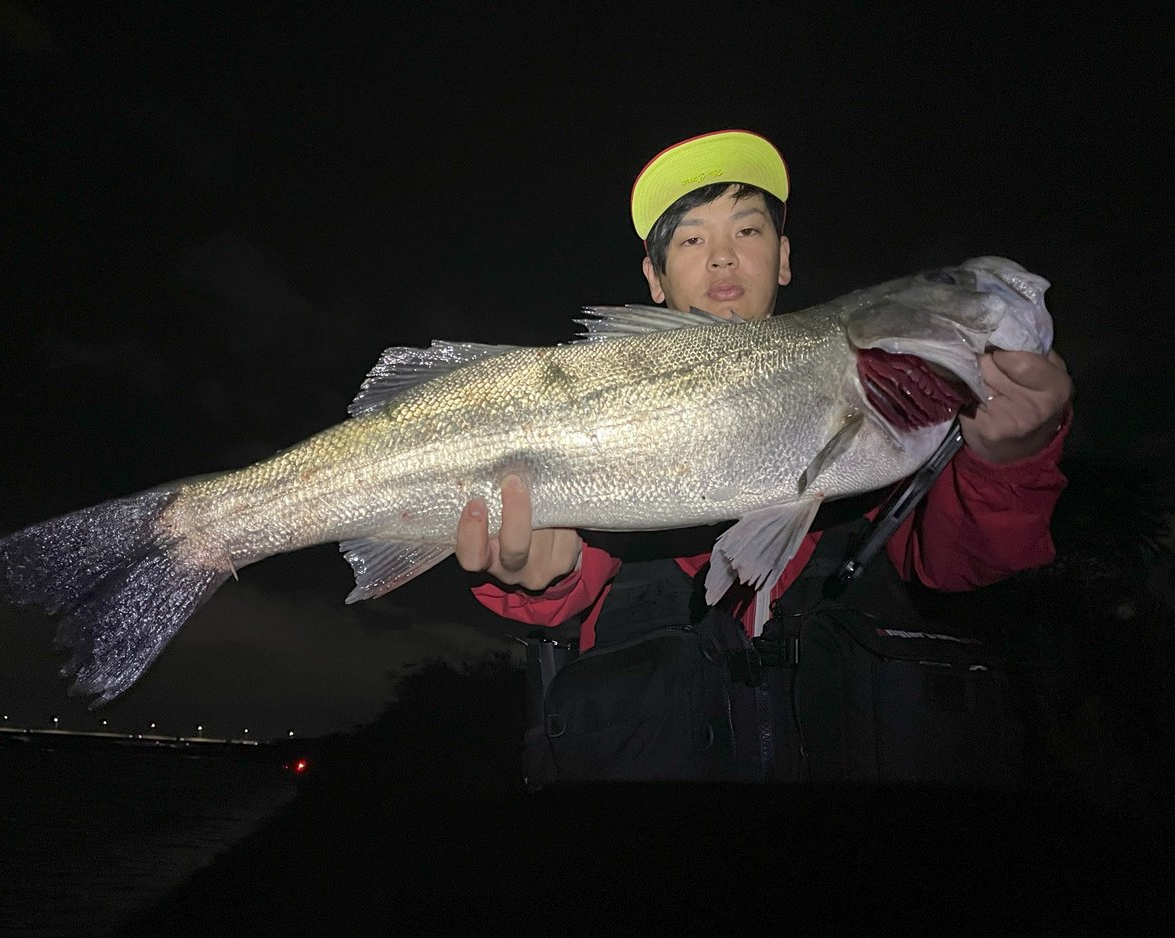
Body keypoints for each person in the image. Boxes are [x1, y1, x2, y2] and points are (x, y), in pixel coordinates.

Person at [455, 129, 1073, 783]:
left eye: (747, 231)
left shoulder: (894, 411)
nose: (722, 258)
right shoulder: (602, 397)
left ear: (782, 257)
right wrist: (536, 572)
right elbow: (563, 589)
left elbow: (957, 562)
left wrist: (1009, 458)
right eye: (691, 240)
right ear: (654, 279)